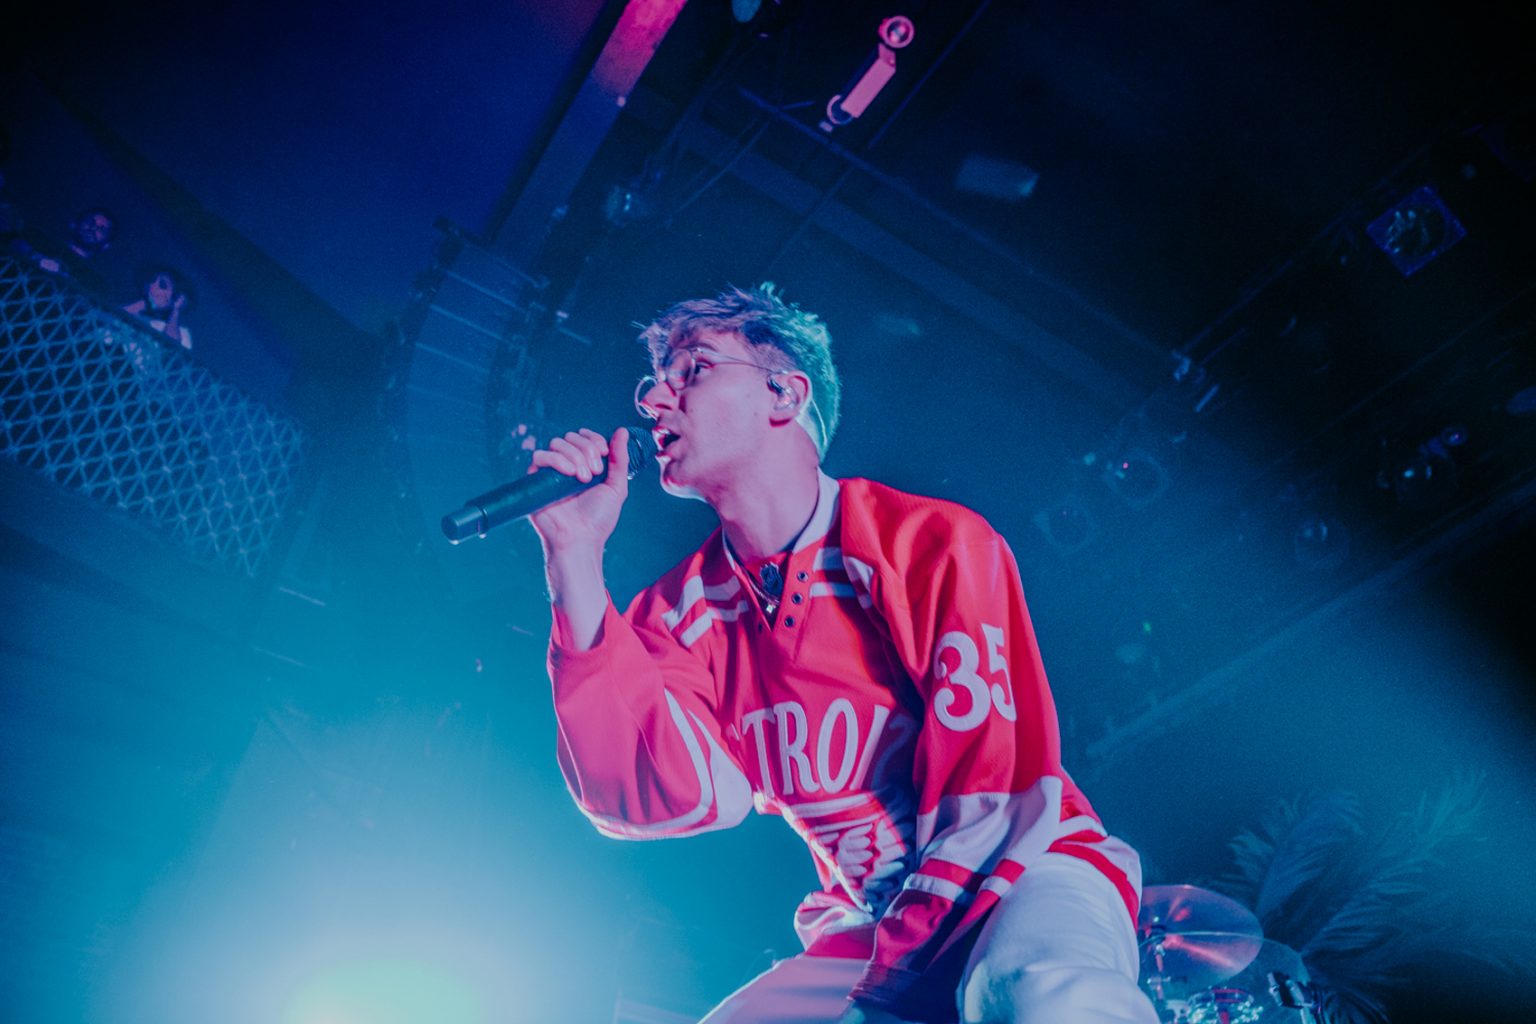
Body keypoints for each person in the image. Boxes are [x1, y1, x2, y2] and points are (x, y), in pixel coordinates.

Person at [529, 284, 1158, 1024]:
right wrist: (574, 557)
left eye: (692, 369)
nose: (655, 401)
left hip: (1024, 868)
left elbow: (989, 801)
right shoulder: (674, 615)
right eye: (653, 383)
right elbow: (673, 794)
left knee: (1038, 992)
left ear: (784, 394)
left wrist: (887, 988)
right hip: (874, 922)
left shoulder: (927, 541)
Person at [122, 265, 194, 351]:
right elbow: (111, 319)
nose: (153, 286)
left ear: (175, 297)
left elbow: (171, 348)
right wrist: (145, 304)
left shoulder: (183, 333)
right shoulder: (134, 316)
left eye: (162, 285)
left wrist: (175, 310)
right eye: (151, 281)